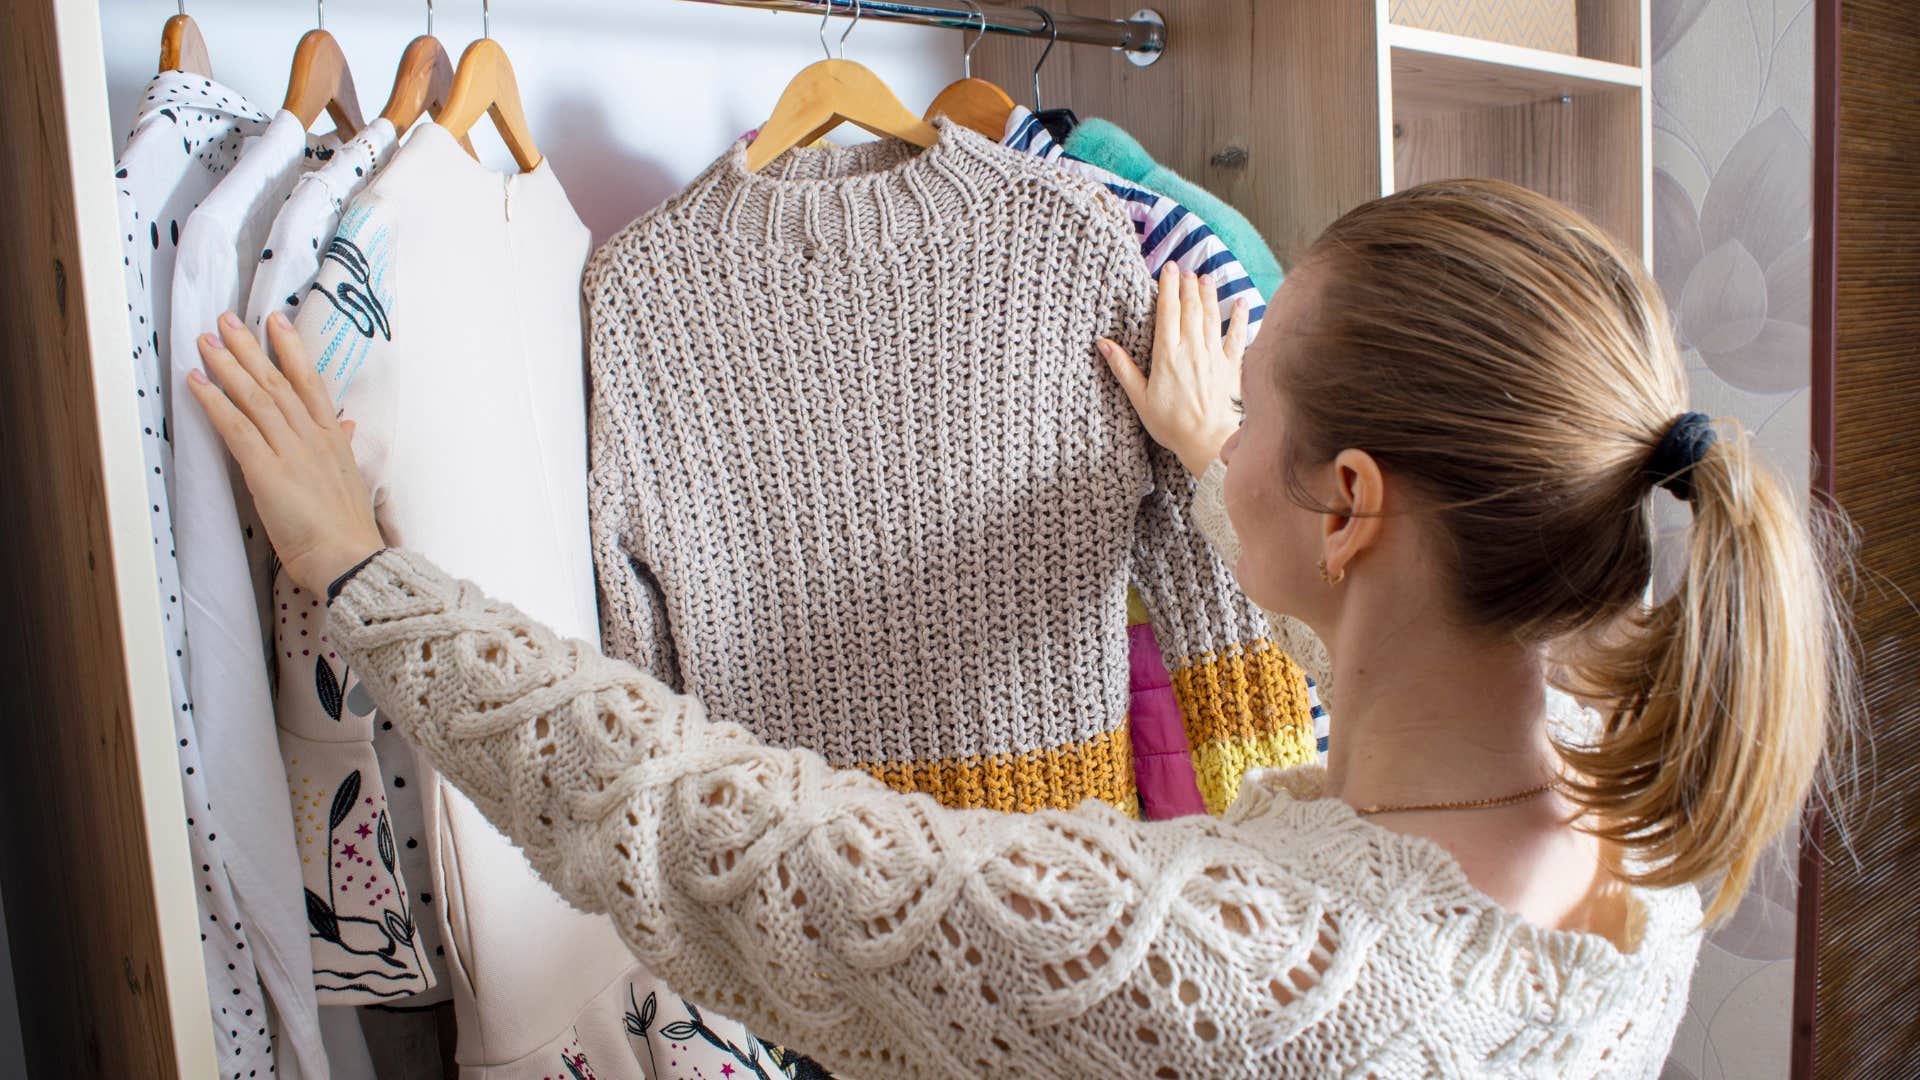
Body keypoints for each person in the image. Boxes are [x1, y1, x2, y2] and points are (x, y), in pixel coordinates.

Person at [185, 179, 1850, 1078]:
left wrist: (364, 573)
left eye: (1253, 385)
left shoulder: (1236, 974)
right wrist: (1218, 457)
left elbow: (723, 841)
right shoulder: (1638, 824)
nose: (1227, 396)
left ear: (1350, 508)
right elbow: (1376, 678)